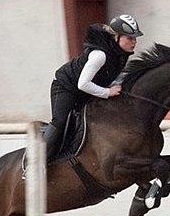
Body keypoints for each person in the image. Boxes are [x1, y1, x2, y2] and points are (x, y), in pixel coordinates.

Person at [45, 14, 143, 160]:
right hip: (66, 86)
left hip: (87, 90)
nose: (134, 42)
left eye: (135, 38)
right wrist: (108, 92)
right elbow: (83, 83)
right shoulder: (100, 55)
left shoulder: (121, 54)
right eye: (130, 38)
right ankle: (35, 162)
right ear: (116, 37)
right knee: (60, 121)